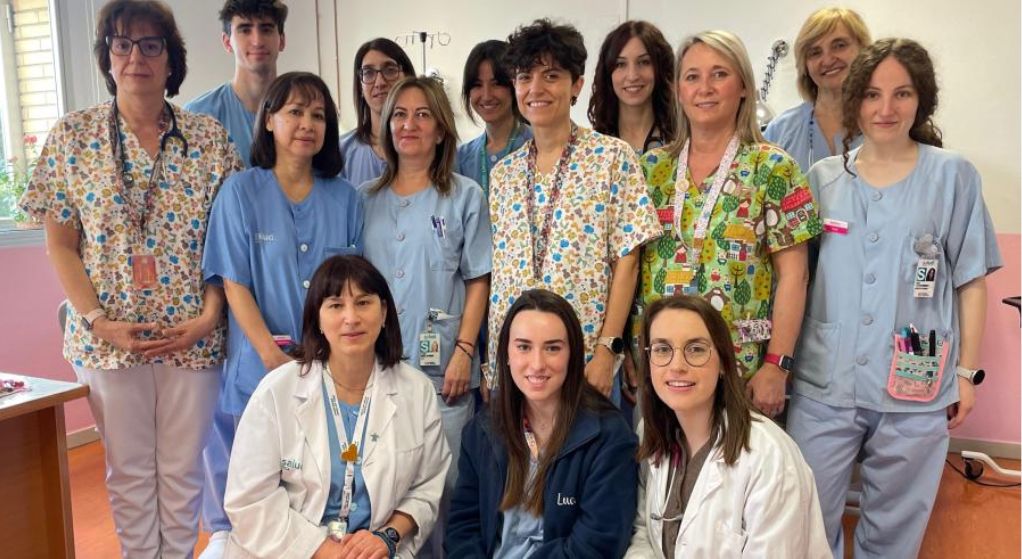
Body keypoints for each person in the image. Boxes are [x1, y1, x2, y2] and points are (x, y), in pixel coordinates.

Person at [18, 1, 242, 555]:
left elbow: (227, 243)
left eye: (150, 45)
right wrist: (99, 322)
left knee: (184, 471)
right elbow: (60, 245)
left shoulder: (208, 140)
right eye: (122, 44)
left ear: (171, 59)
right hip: (108, 341)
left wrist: (209, 316)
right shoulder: (73, 137)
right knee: (130, 473)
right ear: (107, 57)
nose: (135, 57)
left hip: (193, 337)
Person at [786, 38, 1002, 558]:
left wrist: (966, 374)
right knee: (806, 519)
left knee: (896, 526)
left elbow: (970, 281)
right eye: (873, 94)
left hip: (917, 385)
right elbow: (797, 279)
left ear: (921, 99)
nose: (886, 109)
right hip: (825, 382)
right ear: (855, 100)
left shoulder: (952, 176)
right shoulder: (824, 180)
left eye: (902, 93)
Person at [200, 71, 362, 556]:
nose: (307, 124)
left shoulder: (345, 198)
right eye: (294, 112)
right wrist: (273, 358)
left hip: (329, 373)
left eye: (318, 115)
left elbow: (352, 288)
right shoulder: (239, 193)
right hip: (258, 370)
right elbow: (235, 284)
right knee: (255, 501)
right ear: (269, 120)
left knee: (316, 495)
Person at [636, 31, 820, 419]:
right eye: (692, 77)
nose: (705, 88)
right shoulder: (650, 171)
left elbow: (795, 276)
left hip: (741, 368)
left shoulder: (774, 168)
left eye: (719, 74)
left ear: (743, 87)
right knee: (658, 458)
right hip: (662, 368)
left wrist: (777, 366)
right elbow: (631, 268)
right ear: (678, 90)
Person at [224, 255, 451, 558]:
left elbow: (428, 486)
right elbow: (250, 500)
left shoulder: (416, 391)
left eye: (363, 303)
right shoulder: (277, 391)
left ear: (384, 312)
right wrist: (325, 550)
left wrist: (387, 537)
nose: (351, 318)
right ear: (317, 318)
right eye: (335, 305)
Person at [487, 19, 661, 408]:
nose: (536, 88)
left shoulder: (612, 157)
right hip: (518, 365)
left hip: (584, 360)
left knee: (590, 447)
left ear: (577, 85)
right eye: (525, 77)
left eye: (551, 75)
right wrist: (493, 366)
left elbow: (628, 261)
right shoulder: (503, 174)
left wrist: (607, 350)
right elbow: (500, 276)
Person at [360, 75, 491, 557]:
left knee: (446, 492)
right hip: (376, 372)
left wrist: (464, 351)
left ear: (440, 130)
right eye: (399, 114)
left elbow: (478, 279)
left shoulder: (465, 196)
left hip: (445, 374)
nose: (409, 124)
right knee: (386, 491)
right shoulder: (364, 199)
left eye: (422, 115)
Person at [625, 295, 828, 557]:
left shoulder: (770, 456)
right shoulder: (651, 433)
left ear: (723, 362)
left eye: (696, 349)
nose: (677, 366)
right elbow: (644, 532)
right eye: (662, 349)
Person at [447, 289, 638, 557]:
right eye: (524, 347)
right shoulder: (482, 430)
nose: (537, 364)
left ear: (573, 354)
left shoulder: (609, 436)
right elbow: (462, 529)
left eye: (552, 348)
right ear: (506, 353)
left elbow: (596, 545)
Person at [763, 7, 871, 173]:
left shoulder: (886, 120)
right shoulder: (780, 131)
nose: (827, 60)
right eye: (815, 52)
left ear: (863, 50)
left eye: (839, 45)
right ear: (805, 66)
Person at [185, 0, 287, 167]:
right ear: (227, 42)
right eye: (245, 30)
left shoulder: (307, 114)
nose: (257, 41)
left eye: (266, 29)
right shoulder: (198, 117)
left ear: (281, 41)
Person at [455, 39, 533, 197]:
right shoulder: (460, 158)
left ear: (514, 86)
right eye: (477, 85)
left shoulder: (539, 146)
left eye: (496, 84)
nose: (486, 96)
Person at [588, 20, 678, 154]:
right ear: (607, 74)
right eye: (620, 64)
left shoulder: (682, 142)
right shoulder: (593, 148)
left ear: (661, 68)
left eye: (644, 62)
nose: (632, 76)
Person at [340, 38, 415, 186]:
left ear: (408, 78)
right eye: (368, 73)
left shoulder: (427, 146)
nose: (379, 82)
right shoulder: (342, 152)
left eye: (390, 70)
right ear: (360, 87)